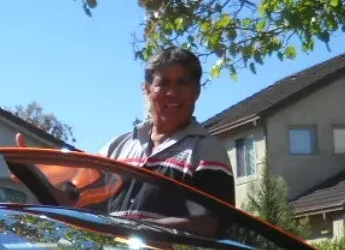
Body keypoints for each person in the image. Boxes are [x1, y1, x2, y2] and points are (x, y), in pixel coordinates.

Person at [15, 48, 234, 235]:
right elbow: (73, 202)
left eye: (182, 83)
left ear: (196, 91)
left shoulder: (207, 149)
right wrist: (32, 175)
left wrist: (134, 230)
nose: (172, 93)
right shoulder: (118, 147)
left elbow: (212, 224)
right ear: (147, 90)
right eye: (163, 83)